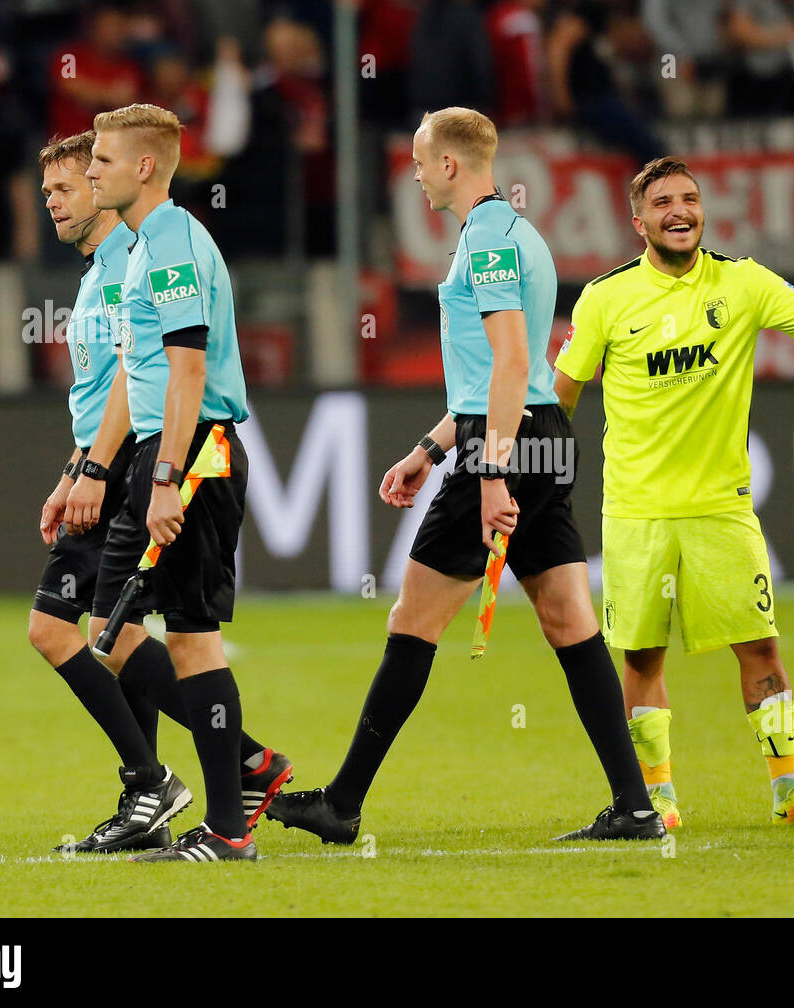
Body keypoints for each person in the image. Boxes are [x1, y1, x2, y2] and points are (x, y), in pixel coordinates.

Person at [267, 107, 664, 844]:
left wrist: (488, 473)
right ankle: (635, 806)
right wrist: (432, 445)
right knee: (570, 622)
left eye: (421, 161)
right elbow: (507, 376)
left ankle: (342, 804)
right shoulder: (519, 237)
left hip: (507, 446)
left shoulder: (484, 244)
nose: (415, 174)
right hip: (539, 435)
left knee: (412, 622)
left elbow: (512, 363)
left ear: (451, 164)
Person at [554, 156, 794, 829]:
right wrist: (524, 473)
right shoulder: (605, 298)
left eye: (691, 199)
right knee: (642, 656)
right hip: (636, 511)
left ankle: (792, 792)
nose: (680, 211)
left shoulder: (743, 284)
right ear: (637, 220)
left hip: (721, 509)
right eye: (664, 202)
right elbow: (560, 400)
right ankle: (658, 800)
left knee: (760, 650)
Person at [85, 103, 284, 862]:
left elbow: (189, 371)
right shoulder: (145, 245)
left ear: (143, 167)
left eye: (102, 160)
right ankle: (250, 774)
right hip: (163, 454)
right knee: (117, 630)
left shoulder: (168, 244)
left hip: (192, 455)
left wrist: (166, 477)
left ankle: (230, 829)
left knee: (195, 641)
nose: (91, 170)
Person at [27, 129, 180, 855]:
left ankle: (232, 760)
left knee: (60, 632)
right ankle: (146, 797)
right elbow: (96, 394)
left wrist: (94, 471)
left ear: (100, 186)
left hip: (123, 467)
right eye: (49, 189)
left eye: (65, 186)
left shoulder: (127, 263)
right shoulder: (96, 274)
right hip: (103, 461)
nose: (51, 201)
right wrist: (71, 467)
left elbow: (132, 377)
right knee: (115, 635)